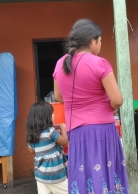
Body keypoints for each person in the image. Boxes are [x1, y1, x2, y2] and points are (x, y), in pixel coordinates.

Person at [53, 18, 129, 194]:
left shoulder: (60, 63)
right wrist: (109, 104)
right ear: (92, 41)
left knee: (85, 176)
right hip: (101, 130)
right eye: (100, 40)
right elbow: (117, 100)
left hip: (77, 133)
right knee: (106, 175)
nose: (100, 44)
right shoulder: (99, 63)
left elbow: (58, 96)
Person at [26, 101, 68, 194]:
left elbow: (31, 151)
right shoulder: (50, 131)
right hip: (55, 174)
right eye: (52, 114)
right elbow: (64, 141)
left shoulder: (31, 135)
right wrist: (63, 129)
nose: (54, 115)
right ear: (45, 118)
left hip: (40, 175)